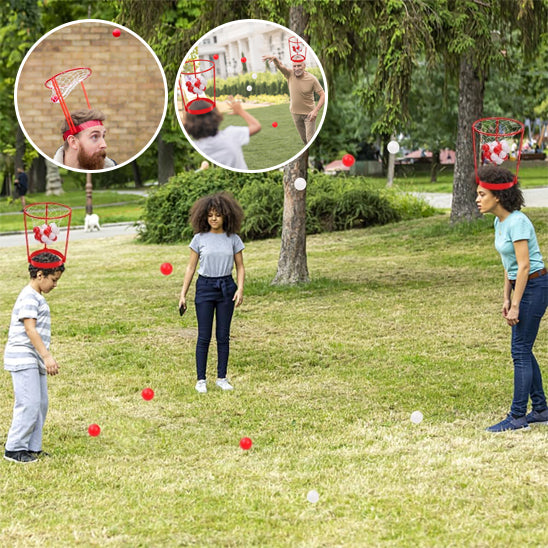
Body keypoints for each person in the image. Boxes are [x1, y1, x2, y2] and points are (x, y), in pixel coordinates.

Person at [475, 165, 548, 432]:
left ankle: (517, 417)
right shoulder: (500, 221)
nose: (478, 199)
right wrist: (506, 297)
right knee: (524, 349)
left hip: (536, 285)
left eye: (482, 194)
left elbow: (525, 266)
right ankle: (540, 409)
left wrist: (516, 304)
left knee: (519, 351)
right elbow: (509, 265)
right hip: (520, 286)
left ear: (497, 196)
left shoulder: (517, 221)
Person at [179, 192, 245, 393]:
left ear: (226, 215)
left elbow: (240, 267)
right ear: (204, 217)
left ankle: (222, 378)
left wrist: (240, 289)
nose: (214, 218)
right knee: (204, 336)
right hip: (205, 288)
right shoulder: (199, 239)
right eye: (210, 215)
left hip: (227, 287)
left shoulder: (233, 238)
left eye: (217, 214)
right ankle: (201, 380)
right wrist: (183, 294)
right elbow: (190, 268)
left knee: (223, 336)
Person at [3, 252, 65, 463]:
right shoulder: (29, 296)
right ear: (40, 275)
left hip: (33, 358)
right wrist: (47, 356)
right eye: (53, 280)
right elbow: (30, 329)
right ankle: (14, 448)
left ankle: (32, 447)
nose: (55, 285)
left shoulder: (36, 296)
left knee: (40, 403)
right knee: (28, 403)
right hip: (23, 356)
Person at [183, 96, 261, 170]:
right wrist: (240, 111)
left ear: (189, 124)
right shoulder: (232, 135)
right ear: (216, 116)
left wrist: (187, 125)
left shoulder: (196, 146)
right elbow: (256, 126)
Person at [262, 55, 325, 144]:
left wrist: (316, 110)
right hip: (295, 113)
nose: (296, 68)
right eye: (294, 66)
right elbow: (280, 67)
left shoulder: (312, 79)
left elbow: (323, 95)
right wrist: (275, 59)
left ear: (304, 66)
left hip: (309, 115)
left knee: (311, 140)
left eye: (299, 65)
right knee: (305, 141)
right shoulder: (290, 74)